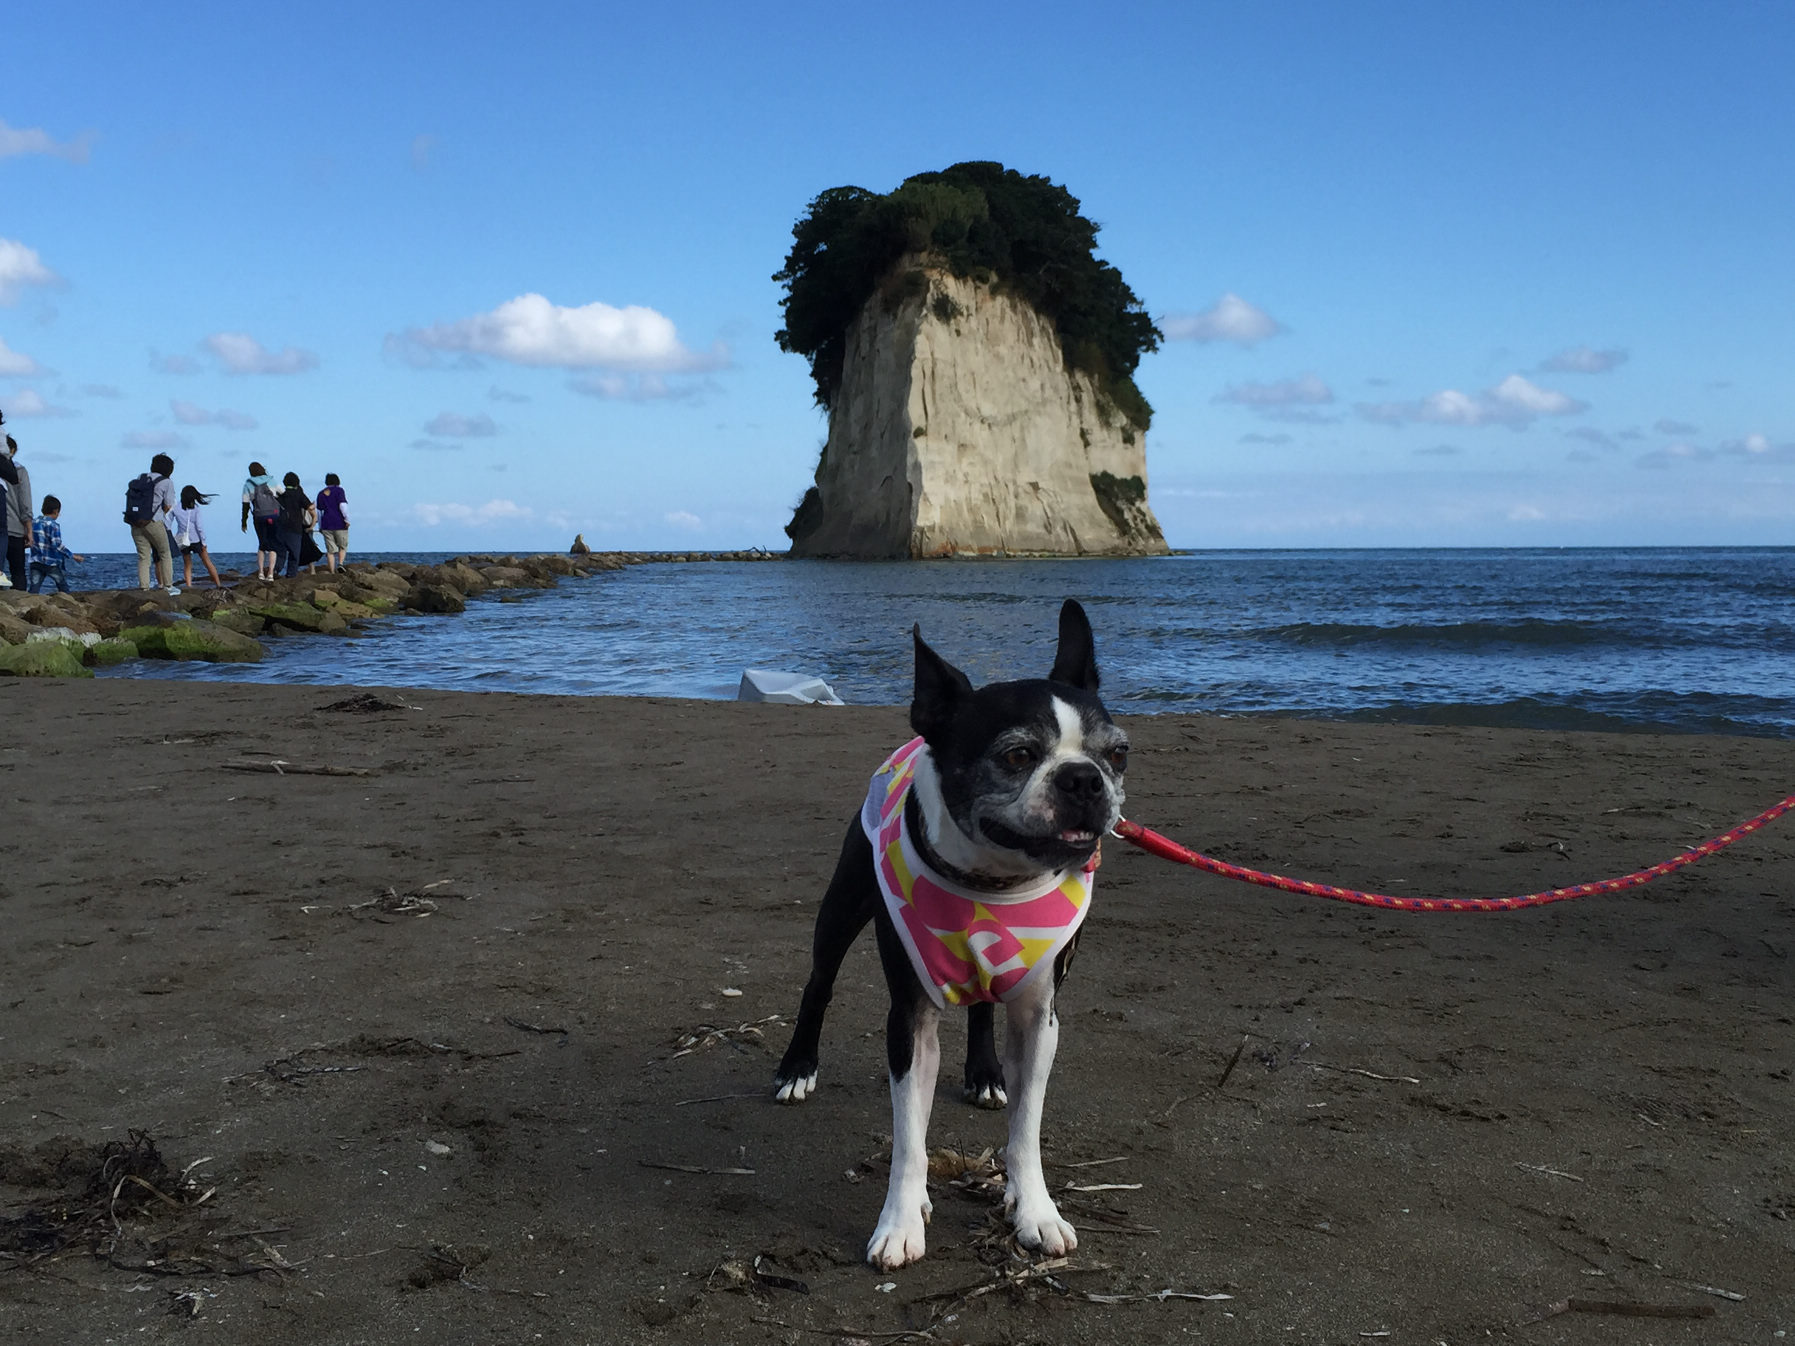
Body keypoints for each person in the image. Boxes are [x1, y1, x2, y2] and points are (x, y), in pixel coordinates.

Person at [127, 452, 179, 593]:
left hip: (135, 521)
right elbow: (168, 505)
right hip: (153, 521)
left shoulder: (141, 478)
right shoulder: (167, 482)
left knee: (143, 556)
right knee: (165, 552)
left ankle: (144, 587)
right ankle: (168, 586)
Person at [168, 485, 223, 589]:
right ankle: (218, 584)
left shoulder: (176, 508)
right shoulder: (196, 509)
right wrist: (204, 542)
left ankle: (189, 586)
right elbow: (199, 527)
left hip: (183, 540)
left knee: (187, 564)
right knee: (207, 562)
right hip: (196, 539)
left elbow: (168, 522)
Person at [28, 495, 85, 593]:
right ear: (56, 511)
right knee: (62, 584)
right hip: (51, 563)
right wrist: (73, 556)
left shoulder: (33, 522)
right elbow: (57, 545)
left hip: (36, 561)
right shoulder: (53, 525)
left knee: (34, 587)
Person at [240, 461, 282, 581]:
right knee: (273, 544)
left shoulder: (248, 484)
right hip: (273, 515)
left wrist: (244, 522)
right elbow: (282, 493)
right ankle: (270, 574)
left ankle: (260, 573)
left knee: (262, 544)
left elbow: (245, 504)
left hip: (259, 516)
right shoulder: (271, 480)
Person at [4, 434, 32, 591]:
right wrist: (29, 530)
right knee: (18, 572)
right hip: (15, 528)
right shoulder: (20, 470)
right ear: (12, 450)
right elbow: (25, 502)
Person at [273, 471, 313, 579]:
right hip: (295, 527)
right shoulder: (299, 495)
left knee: (280, 552)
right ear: (297, 483)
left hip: (280, 526)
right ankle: (291, 575)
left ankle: (275, 571)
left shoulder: (281, 495)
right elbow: (310, 507)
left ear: (285, 483)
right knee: (294, 554)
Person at [316, 472, 349, 571]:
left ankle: (331, 571)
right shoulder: (339, 491)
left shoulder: (321, 493)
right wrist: (347, 519)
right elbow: (343, 505)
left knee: (330, 550)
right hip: (339, 523)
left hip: (326, 523)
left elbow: (319, 511)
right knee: (342, 546)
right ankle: (340, 564)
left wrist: (320, 526)